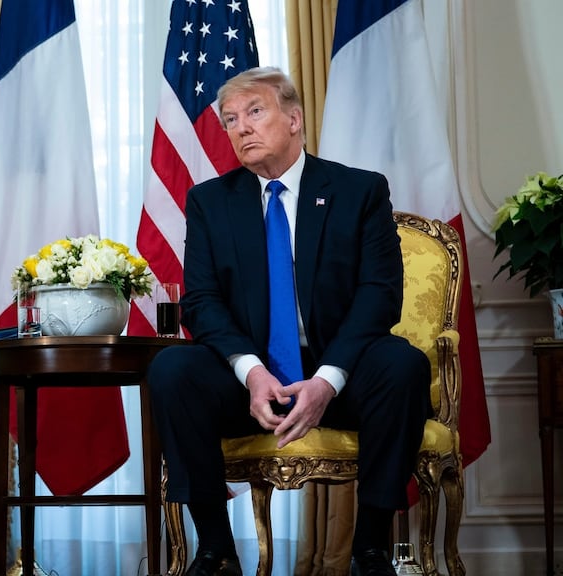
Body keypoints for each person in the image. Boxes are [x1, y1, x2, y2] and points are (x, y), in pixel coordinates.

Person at [147, 67, 431, 576]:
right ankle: (215, 551)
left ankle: (369, 549)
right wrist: (253, 373)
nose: (241, 128)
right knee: (173, 370)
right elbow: (204, 302)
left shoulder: (359, 191)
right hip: (250, 386)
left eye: (255, 112)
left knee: (401, 364)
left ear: (294, 118)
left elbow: (379, 297)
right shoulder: (210, 203)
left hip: (339, 376)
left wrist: (327, 381)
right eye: (231, 120)